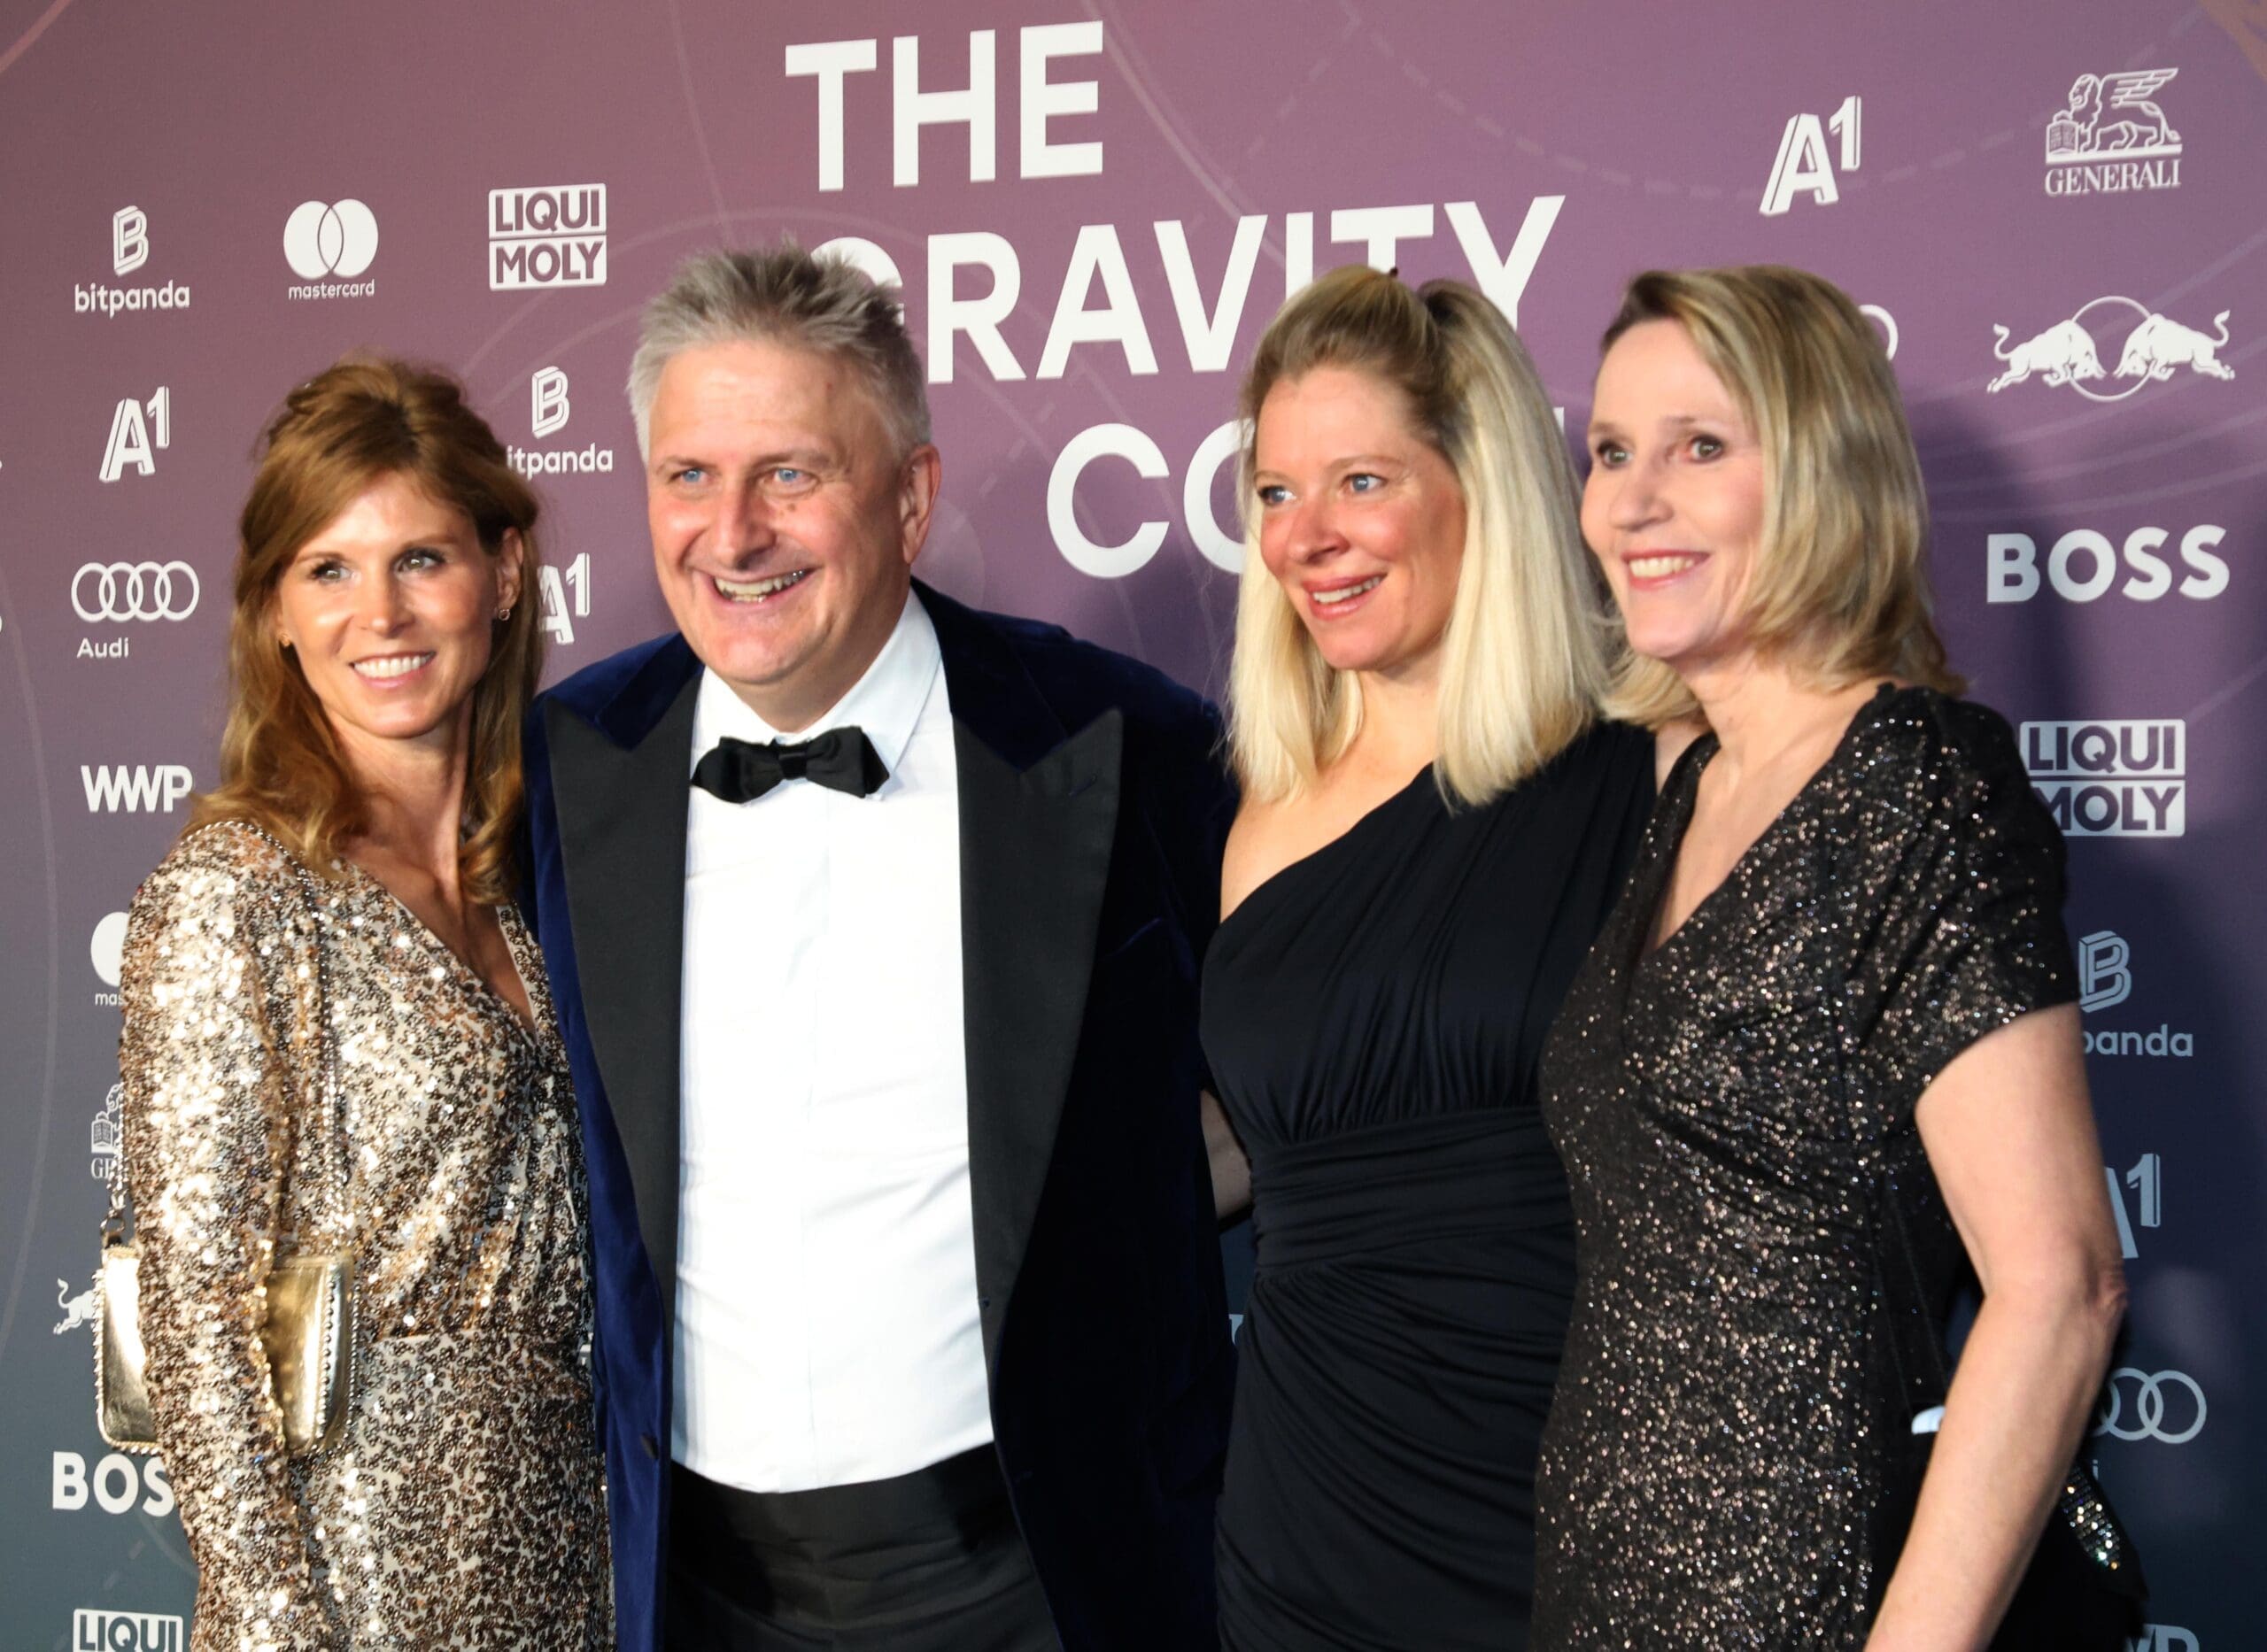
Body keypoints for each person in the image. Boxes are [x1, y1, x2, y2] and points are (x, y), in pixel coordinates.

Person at [520, 243, 1234, 1652]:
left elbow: (1295, 1082)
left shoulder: (1121, 743)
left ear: (910, 497)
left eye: (790, 473)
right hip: (696, 1591)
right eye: (688, 475)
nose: (733, 533)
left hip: (1041, 1574)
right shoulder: (565, 762)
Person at [1533, 266, 2128, 1648]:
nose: (1631, 500)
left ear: (1822, 473)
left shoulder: (1919, 783)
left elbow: (2061, 1283)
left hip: (1827, 1600)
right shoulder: (1688, 788)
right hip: (1604, 1598)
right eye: (1610, 452)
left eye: (1699, 446)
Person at [118, 357, 612, 1649]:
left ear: (504, 574)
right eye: (329, 569)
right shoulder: (239, 892)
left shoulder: (544, 879)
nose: (379, 613)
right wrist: (278, 1622)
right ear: (276, 612)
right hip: (348, 1589)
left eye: (421, 560)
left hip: (573, 1571)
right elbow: (195, 1323)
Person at [1198, 264, 1655, 1649]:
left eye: (1362, 482)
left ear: (1483, 487)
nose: (1308, 538)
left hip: (1571, 1497)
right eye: (1277, 492)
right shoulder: (1260, 809)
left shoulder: (1645, 778)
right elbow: (1262, 1145)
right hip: (1303, 1521)